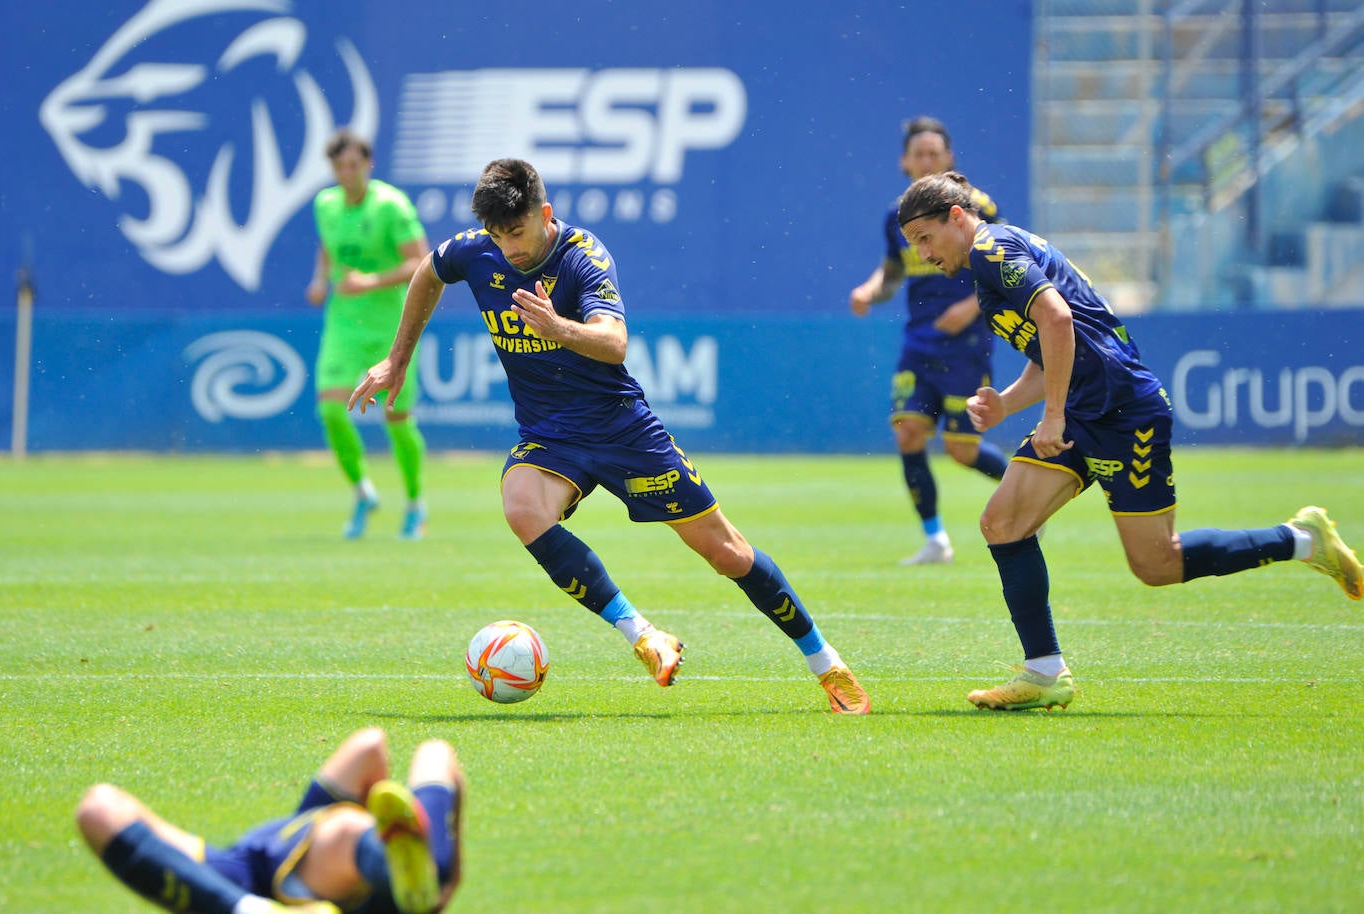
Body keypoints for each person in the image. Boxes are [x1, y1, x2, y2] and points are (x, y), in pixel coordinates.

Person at [350, 158, 870, 714]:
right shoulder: (475, 249)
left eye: (518, 233)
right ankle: (645, 636)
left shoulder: (583, 256)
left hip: (620, 427)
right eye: (498, 236)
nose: (508, 249)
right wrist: (397, 359)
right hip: (549, 433)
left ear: (545, 215)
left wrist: (556, 328)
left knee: (726, 553)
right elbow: (428, 272)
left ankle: (827, 663)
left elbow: (614, 342)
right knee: (523, 508)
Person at [896, 170, 1364, 711]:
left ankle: (1301, 539)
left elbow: (1057, 317)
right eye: (915, 245)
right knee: (1002, 523)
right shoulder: (991, 265)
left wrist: (1051, 417)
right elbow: (1050, 345)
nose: (925, 254)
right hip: (1083, 410)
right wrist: (1006, 401)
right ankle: (1045, 671)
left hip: (1123, 413)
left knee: (1157, 565)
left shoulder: (991, 250)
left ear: (957, 216)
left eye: (926, 238)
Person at [75, 727, 463, 914]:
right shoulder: (328, 827)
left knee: (350, 818)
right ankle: (419, 867)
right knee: (432, 753)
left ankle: (250, 911)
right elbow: (370, 753)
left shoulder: (329, 832)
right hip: (267, 867)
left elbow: (369, 755)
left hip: (264, 882)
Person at [849, 117, 1009, 566]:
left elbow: (1009, 261)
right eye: (918, 154)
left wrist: (972, 306)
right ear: (904, 161)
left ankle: (1028, 491)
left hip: (965, 345)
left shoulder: (976, 206)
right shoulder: (897, 216)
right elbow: (892, 272)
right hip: (919, 343)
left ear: (949, 159)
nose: (925, 161)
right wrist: (869, 289)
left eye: (933, 154)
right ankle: (936, 539)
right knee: (908, 433)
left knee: (962, 451)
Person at [306, 128, 432, 540]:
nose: (347, 172)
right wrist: (320, 279)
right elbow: (328, 246)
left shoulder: (391, 205)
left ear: (368, 164)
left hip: (391, 328)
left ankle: (415, 504)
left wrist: (371, 281)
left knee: (396, 420)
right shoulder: (325, 204)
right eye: (340, 166)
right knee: (329, 410)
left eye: (354, 164)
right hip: (343, 323)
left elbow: (421, 262)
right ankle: (363, 492)